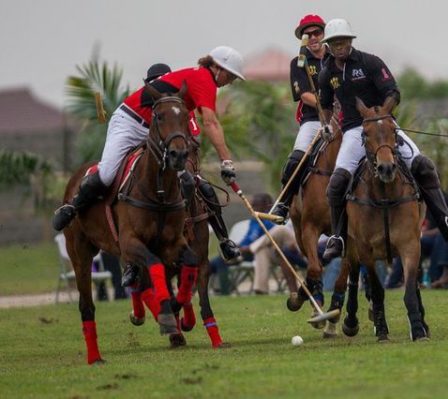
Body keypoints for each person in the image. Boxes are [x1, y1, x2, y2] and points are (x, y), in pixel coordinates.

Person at [52, 47, 244, 261]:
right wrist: (226, 160)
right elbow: (210, 122)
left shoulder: (201, 81)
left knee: (188, 180)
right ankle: (72, 207)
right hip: (129, 123)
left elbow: (194, 129)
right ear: (216, 67)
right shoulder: (203, 79)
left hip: (156, 129)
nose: (231, 81)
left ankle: (213, 238)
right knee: (107, 174)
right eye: (231, 75)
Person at [317, 18, 448, 261]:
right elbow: (324, 104)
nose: (339, 46)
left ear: (350, 41)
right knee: (336, 182)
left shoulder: (370, 62)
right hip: (354, 131)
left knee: (423, 165)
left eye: (343, 41)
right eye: (334, 43)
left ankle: (445, 219)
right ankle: (338, 237)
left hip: (383, 125)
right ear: (329, 45)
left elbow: (393, 91)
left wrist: (382, 115)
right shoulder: (327, 73)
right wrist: (326, 125)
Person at [271, 14, 329, 220]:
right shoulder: (299, 62)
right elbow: (304, 95)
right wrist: (327, 102)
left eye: (317, 33)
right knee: (297, 158)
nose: (313, 37)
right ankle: (284, 202)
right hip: (314, 120)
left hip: (343, 119)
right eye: (307, 34)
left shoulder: (338, 57)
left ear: (324, 34)